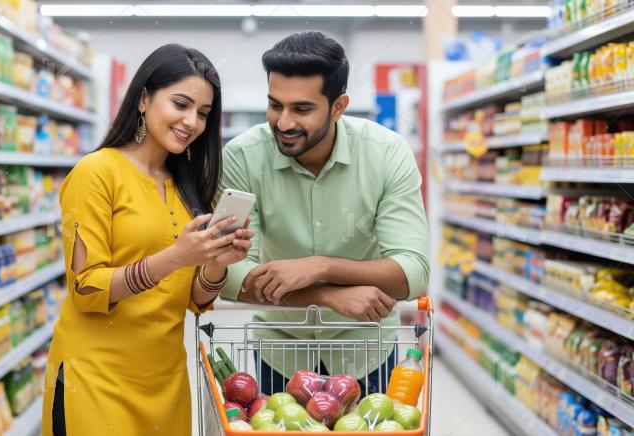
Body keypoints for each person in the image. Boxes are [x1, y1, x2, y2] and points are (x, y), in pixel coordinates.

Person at [42, 44, 255, 435]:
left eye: (203, 113)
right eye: (180, 104)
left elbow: (193, 299)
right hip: (96, 383)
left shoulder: (185, 187)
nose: (192, 121)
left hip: (166, 384)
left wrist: (217, 261)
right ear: (143, 98)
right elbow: (86, 289)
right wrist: (174, 257)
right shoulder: (96, 172)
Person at [219, 31, 429, 396]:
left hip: (367, 355)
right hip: (280, 357)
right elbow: (228, 274)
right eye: (275, 105)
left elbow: (413, 272)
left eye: (301, 109)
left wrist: (320, 266)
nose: (283, 123)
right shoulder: (242, 157)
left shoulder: (386, 154)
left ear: (338, 106)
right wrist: (327, 295)